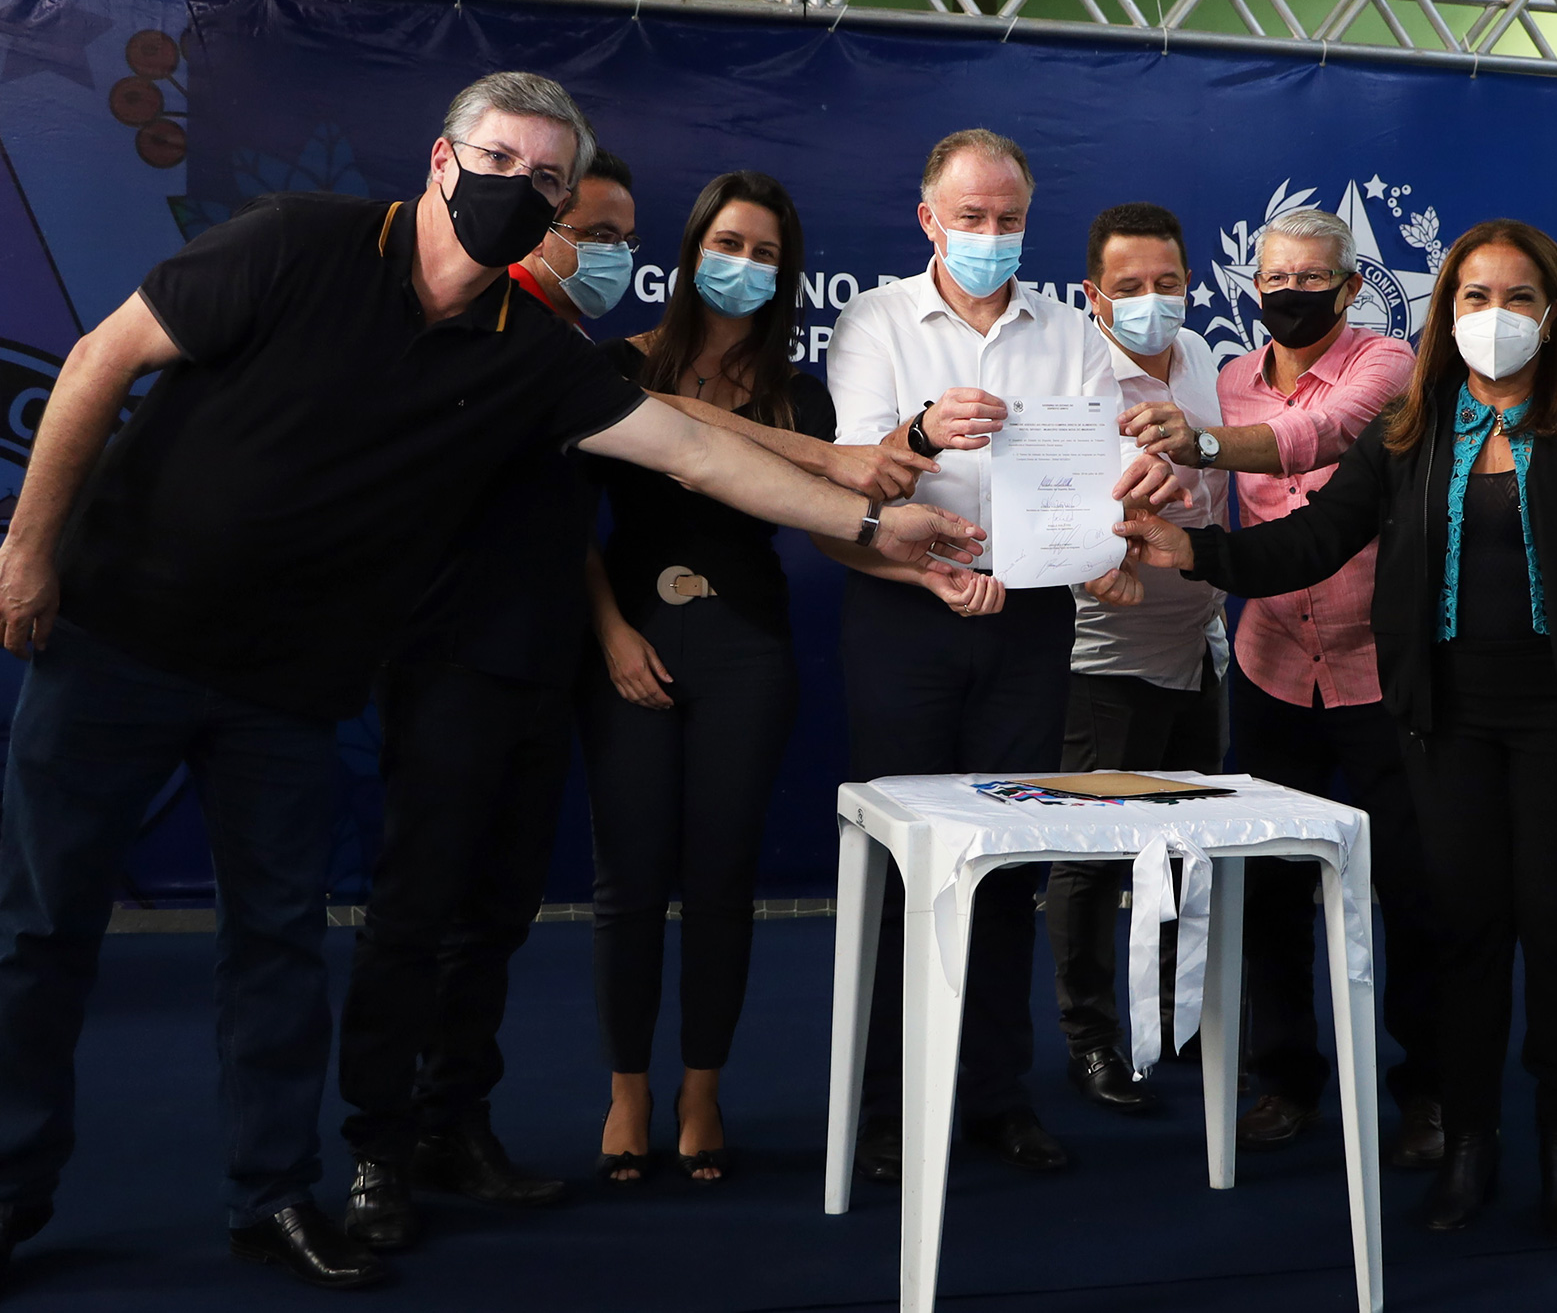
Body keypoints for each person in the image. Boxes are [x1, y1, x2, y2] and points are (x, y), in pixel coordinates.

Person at [0, 71, 978, 1294]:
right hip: (122, 639)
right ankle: (13, 1189)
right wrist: (29, 549)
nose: (519, 189)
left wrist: (875, 528)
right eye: (500, 162)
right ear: (441, 159)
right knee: (40, 930)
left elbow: (691, 449)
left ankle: (272, 1195)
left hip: (288, 688)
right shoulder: (294, 242)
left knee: (278, 951)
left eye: (546, 179)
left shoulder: (533, 353)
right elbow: (102, 357)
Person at [1119, 219, 1557, 1242]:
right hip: (1442, 726)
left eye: (1517, 298)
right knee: (1461, 937)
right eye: (1474, 297)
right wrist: (1191, 552)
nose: (1494, 317)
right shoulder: (1411, 426)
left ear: (1552, 313)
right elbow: (1315, 537)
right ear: (1444, 312)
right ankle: (1468, 1145)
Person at [820, 128, 1181, 1183]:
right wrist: (923, 433)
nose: (990, 234)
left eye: (1008, 218)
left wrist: (1110, 545)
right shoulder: (875, 320)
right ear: (928, 219)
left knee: (1006, 860)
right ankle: (889, 1104)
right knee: (904, 863)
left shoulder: (1069, 333)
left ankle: (995, 1094)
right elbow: (853, 476)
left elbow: (1101, 469)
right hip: (903, 612)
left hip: (1027, 615)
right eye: (970, 217)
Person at [583, 170, 933, 1187]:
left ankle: (700, 1090)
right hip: (628, 643)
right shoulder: (614, 367)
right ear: (692, 249)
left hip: (748, 654)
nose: (743, 265)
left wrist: (923, 555)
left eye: (766, 253)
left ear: (786, 275)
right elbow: (568, 528)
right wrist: (609, 635)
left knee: (721, 880)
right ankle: (626, 1092)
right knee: (627, 882)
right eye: (729, 244)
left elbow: (836, 519)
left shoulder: (800, 395)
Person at [333, 149, 640, 1254]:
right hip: (446, 666)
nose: (611, 255)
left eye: (625, 238)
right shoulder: (473, 334)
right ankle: (375, 1149)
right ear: (540, 225)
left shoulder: (571, 355)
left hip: (540, 673)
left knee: (498, 917)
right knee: (414, 914)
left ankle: (452, 1123)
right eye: (593, 232)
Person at [1129, 208, 1442, 1167]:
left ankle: (1431, 1090)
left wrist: (1202, 445)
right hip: (1271, 667)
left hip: (1379, 674)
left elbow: (1322, 434)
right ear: (1252, 286)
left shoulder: (1389, 364)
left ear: (1349, 287)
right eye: (1275, 278)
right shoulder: (1229, 379)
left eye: (1312, 278)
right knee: (1268, 892)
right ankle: (1285, 1076)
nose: (1291, 293)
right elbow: (1208, 499)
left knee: (1414, 893)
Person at [1045, 202, 1230, 1113]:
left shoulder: (1203, 358)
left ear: (1190, 283)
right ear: (1094, 294)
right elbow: (1040, 509)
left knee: (1187, 850)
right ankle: (1091, 1039)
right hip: (1105, 657)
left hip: (1199, 648)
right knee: (1093, 858)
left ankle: (1171, 1021)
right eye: (1129, 287)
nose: (1152, 300)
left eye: (1166, 282)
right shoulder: (1071, 374)